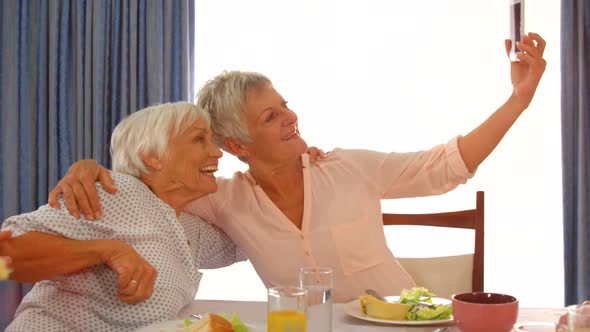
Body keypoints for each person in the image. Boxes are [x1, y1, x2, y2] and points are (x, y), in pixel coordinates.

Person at [49, 34, 547, 303]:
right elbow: (151, 187)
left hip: (403, 323)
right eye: (272, 116)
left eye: (285, 105)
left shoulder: (349, 168)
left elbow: (447, 165)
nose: (291, 117)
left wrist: (518, 100)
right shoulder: (223, 200)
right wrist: (87, 166)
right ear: (237, 145)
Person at [0, 102, 246, 331]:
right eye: (199, 139)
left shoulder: (187, 227)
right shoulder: (116, 192)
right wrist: (107, 251)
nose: (216, 152)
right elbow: (6, 253)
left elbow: (254, 241)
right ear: (152, 156)